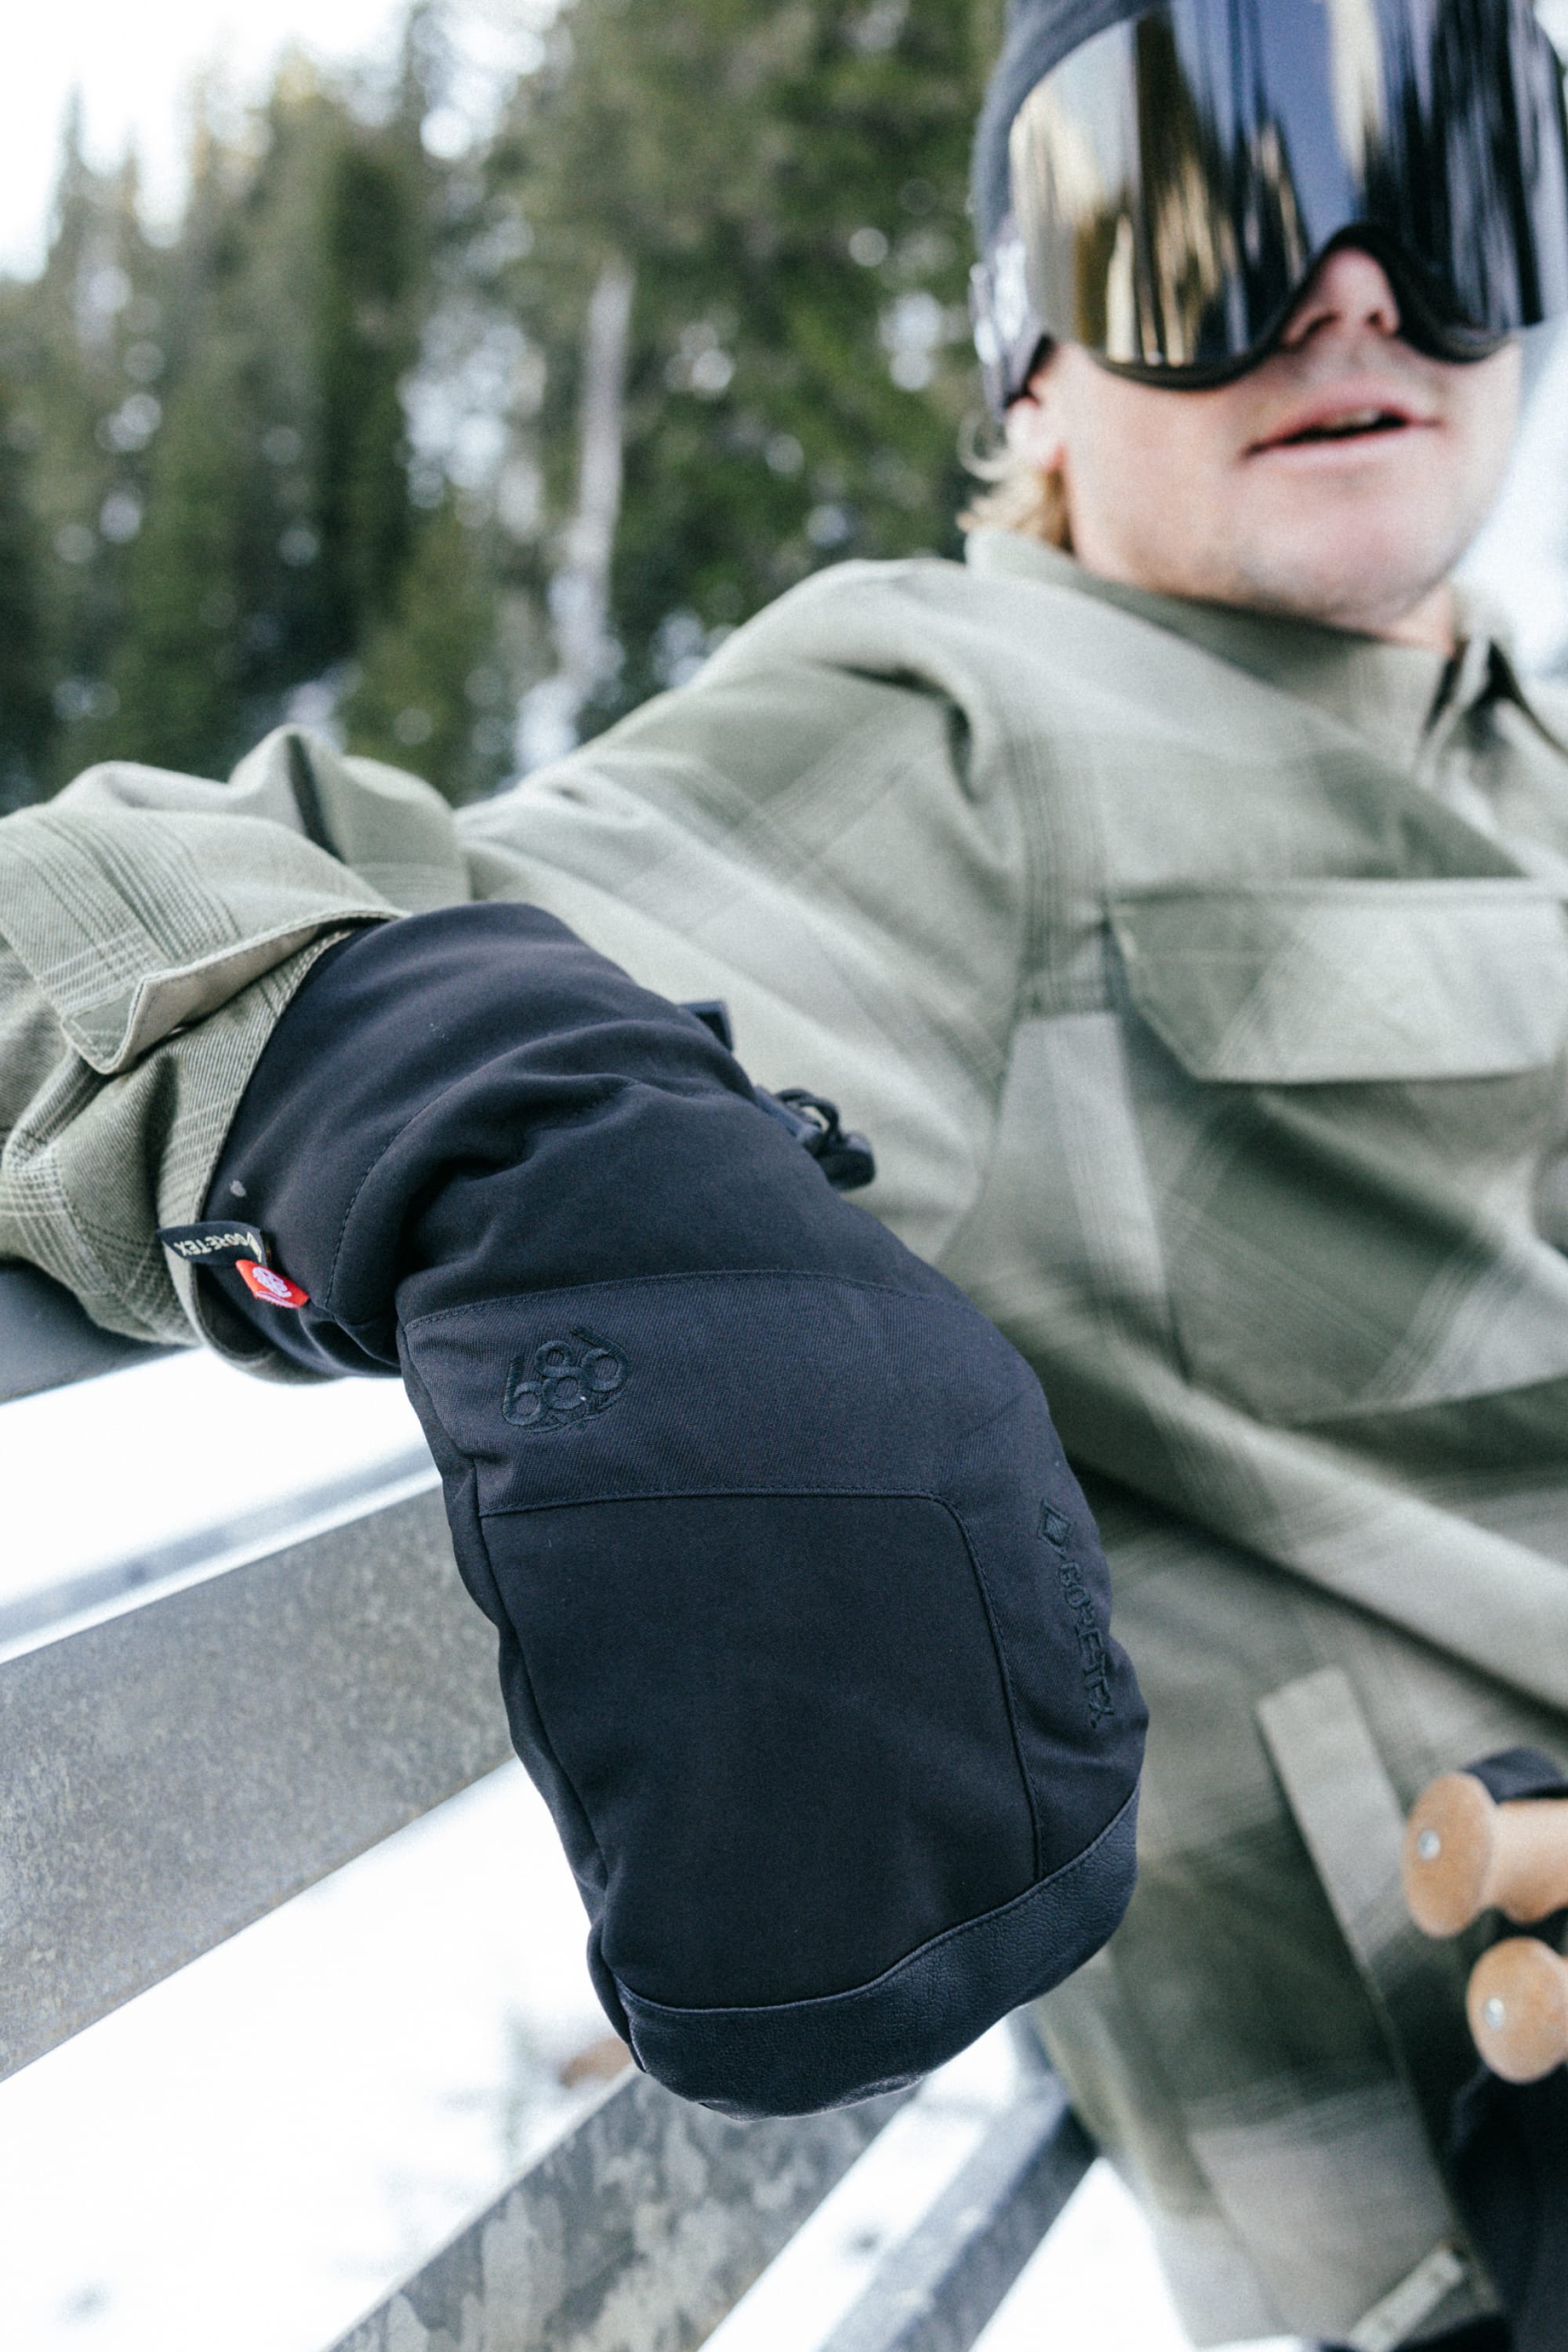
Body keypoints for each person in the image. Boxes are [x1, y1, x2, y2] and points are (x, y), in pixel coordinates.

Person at [3, 0, 1568, 2339]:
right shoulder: (973, 735)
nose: (1349, 290)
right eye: (1201, 222)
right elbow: (98, 916)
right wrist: (425, 1075)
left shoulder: (1522, 738)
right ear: (1031, 360)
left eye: (1443, 191)